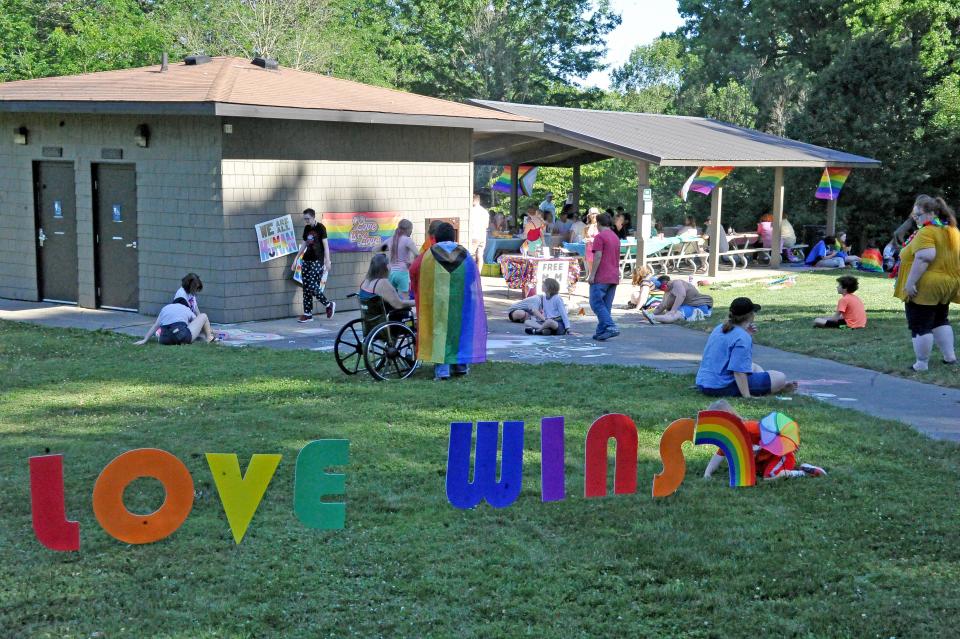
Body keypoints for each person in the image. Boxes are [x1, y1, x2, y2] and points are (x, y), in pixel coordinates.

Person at [410, 222, 487, 380]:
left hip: (437, 301)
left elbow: (414, 271)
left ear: (435, 238)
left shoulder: (428, 254)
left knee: (440, 332)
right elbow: (473, 275)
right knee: (459, 331)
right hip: (460, 301)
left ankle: (442, 371)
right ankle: (460, 367)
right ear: (454, 237)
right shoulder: (464, 254)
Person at [894, 194, 960, 371]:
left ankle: (921, 363)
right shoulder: (951, 230)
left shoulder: (927, 231)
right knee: (940, 319)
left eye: (918, 215)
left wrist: (910, 283)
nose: (915, 218)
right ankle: (950, 357)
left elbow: (925, 257)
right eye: (914, 215)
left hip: (927, 285)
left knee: (920, 323)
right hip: (947, 283)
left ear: (931, 214)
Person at [696, 297, 798, 398]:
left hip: (703, 383)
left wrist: (747, 334)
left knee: (754, 366)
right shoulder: (742, 337)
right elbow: (738, 371)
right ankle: (774, 387)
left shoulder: (719, 328)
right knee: (780, 377)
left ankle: (770, 386)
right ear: (751, 315)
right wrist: (747, 396)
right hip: (721, 387)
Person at [702, 400, 827, 480]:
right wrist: (707, 474)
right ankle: (800, 468)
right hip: (763, 461)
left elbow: (775, 432)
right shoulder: (730, 438)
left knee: (769, 478)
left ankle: (804, 473)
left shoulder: (750, 428)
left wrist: (789, 445)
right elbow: (718, 456)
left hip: (780, 456)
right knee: (749, 473)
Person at [292, 208, 335, 322]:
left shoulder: (321, 228)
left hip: (317, 260)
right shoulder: (307, 228)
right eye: (305, 219)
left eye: (308, 219)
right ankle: (308, 314)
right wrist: (296, 258)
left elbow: (325, 245)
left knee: (312, 285)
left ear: (313, 217)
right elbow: (304, 244)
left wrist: (328, 261)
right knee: (306, 287)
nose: (306, 221)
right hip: (306, 260)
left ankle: (328, 304)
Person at [587, 212, 621, 341]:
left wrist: (592, 274)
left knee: (596, 303)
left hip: (602, 275)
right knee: (606, 306)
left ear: (598, 223)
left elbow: (598, 256)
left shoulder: (599, 237)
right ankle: (601, 331)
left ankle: (611, 326)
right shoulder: (615, 237)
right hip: (613, 275)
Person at [135, 297, 214, 345]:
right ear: (186, 305)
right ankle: (209, 337)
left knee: (186, 331)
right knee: (203, 316)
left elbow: (155, 325)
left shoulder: (165, 308)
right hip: (181, 336)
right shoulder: (185, 308)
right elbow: (198, 323)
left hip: (164, 339)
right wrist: (210, 331)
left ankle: (204, 337)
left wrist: (145, 340)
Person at [359, 253, 416, 319]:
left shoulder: (366, 281)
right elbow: (399, 304)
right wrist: (416, 302)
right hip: (389, 319)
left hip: (371, 318)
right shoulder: (382, 283)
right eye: (389, 263)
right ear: (385, 266)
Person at [506, 278, 571, 335]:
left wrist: (567, 328)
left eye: (544, 285)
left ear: (549, 287)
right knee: (527, 322)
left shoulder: (557, 298)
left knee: (550, 322)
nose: (542, 286)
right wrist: (544, 320)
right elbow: (545, 313)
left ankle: (538, 331)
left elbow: (563, 314)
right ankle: (544, 330)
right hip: (547, 323)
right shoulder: (545, 298)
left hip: (558, 323)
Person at [646, 276, 714, 324]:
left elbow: (681, 295)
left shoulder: (677, 283)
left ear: (665, 284)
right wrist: (648, 316)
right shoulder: (667, 291)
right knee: (670, 313)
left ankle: (654, 318)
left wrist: (673, 310)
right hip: (688, 306)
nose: (662, 290)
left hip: (698, 305)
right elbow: (661, 306)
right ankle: (653, 317)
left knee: (674, 314)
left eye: (661, 288)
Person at [386, 219, 418, 297]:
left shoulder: (391, 240)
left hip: (392, 274)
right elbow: (417, 255)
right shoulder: (407, 241)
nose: (411, 231)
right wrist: (411, 264)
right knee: (404, 300)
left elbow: (377, 250)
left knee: (392, 298)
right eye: (411, 229)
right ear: (407, 229)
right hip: (402, 273)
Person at [469, 194, 489, 264]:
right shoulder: (485, 211)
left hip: (474, 235)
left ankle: (472, 273)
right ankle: (478, 274)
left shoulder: (471, 211)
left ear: (474, 200)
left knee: (471, 255)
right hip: (482, 236)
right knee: (480, 256)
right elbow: (486, 226)